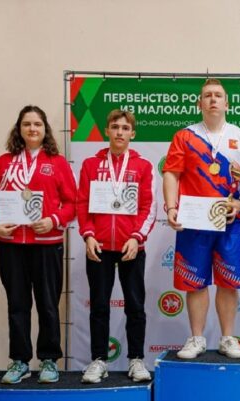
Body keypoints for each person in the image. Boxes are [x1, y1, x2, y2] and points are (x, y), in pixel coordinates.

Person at [162, 79, 240, 360]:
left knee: (228, 281)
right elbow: (171, 173)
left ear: (227, 103)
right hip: (194, 221)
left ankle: (228, 338)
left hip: (231, 221)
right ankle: (196, 338)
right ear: (200, 103)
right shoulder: (185, 136)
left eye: (218, 95)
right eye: (207, 95)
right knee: (195, 281)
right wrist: (171, 207)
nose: (213, 99)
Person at [0, 105, 77, 384]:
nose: (32, 129)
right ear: (19, 129)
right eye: (26, 124)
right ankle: (19, 361)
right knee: (17, 304)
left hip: (47, 244)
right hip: (11, 245)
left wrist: (54, 220)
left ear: (45, 129)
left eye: (37, 124)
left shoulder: (57, 163)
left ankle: (49, 360)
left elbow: (73, 202)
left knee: (48, 304)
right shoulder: (4, 162)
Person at [77, 109, 156, 384]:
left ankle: (136, 359)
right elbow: (82, 203)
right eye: (115, 127)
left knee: (135, 305)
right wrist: (88, 235)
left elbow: (148, 206)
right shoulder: (91, 164)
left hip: (131, 246)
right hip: (98, 246)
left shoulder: (143, 166)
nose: (120, 132)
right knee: (99, 305)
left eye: (125, 128)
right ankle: (98, 360)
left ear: (132, 133)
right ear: (107, 131)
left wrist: (136, 237)